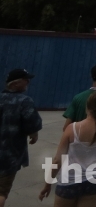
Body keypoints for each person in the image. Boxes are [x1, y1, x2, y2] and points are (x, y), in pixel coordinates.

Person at [40, 91, 96, 206]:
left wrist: (48, 183)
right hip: (95, 179)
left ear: (87, 107)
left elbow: (58, 159)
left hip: (70, 178)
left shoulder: (72, 128)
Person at [0, 69, 42, 207]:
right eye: (26, 80)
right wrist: (34, 134)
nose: (28, 82)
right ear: (16, 84)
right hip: (9, 156)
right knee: (1, 192)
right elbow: (32, 122)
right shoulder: (25, 101)